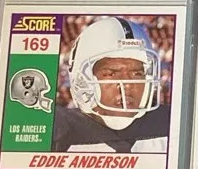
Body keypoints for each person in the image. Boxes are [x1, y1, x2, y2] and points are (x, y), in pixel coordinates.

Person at [53, 16, 170, 152]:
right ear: (82, 79)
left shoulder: (169, 124)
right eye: (111, 73)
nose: (128, 84)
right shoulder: (56, 131)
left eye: (137, 74)